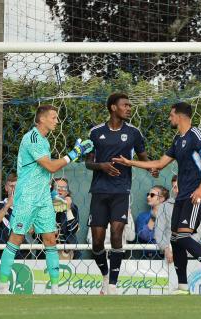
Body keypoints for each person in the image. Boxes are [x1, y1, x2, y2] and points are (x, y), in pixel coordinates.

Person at [113, 102, 201, 295]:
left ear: (180, 116)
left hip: (195, 195)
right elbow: (160, 163)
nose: (169, 118)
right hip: (182, 196)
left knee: (183, 236)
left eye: (171, 115)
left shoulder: (196, 136)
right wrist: (129, 162)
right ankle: (182, 286)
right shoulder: (178, 139)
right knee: (175, 239)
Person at [0, 105, 93, 294]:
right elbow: (49, 166)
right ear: (42, 119)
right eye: (54, 117)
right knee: (16, 238)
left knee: (50, 239)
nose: (57, 121)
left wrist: (52, 194)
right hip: (27, 197)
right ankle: (2, 285)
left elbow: (44, 172)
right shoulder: (31, 138)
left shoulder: (44, 141)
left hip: (43, 198)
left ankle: (55, 287)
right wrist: (74, 153)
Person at [85, 93, 157, 295]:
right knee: (97, 241)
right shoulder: (96, 132)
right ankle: (105, 276)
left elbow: (144, 158)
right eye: (125, 105)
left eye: (129, 105)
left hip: (121, 191)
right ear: (112, 108)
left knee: (117, 235)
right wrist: (103, 166)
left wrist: (152, 168)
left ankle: (113, 285)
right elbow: (88, 162)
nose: (129, 108)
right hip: (99, 191)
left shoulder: (134, 132)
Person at [0, 172, 30, 259]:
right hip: (2, 251)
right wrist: (8, 205)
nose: (14, 190)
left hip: (23, 252)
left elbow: (31, 231)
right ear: (6, 188)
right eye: (12, 186)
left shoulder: (27, 207)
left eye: (17, 187)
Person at [136, 185, 169, 259]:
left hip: (169, 258)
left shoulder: (170, 217)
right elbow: (143, 236)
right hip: (149, 258)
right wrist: (153, 218)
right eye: (148, 194)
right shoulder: (142, 216)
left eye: (152, 195)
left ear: (161, 199)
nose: (148, 197)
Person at [52, 177, 80, 260]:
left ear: (67, 192)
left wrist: (68, 209)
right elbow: (35, 234)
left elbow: (73, 230)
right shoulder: (43, 207)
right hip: (47, 249)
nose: (60, 190)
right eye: (57, 188)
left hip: (68, 251)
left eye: (64, 188)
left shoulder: (73, 207)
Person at [155, 175, 178, 263]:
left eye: (180, 186)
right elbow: (158, 231)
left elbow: (197, 231)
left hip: (190, 253)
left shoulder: (194, 204)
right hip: (170, 254)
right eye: (175, 187)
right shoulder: (164, 206)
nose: (177, 190)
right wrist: (166, 248)